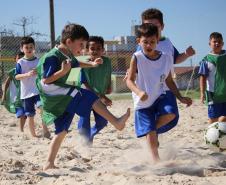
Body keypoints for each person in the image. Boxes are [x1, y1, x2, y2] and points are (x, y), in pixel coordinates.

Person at [36, 23, 130, 170]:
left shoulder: (67, 54)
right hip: (54, 94)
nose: (83, 49)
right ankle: (116, 122)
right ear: (69, 42)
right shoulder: (53, 56)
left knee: (61, 131)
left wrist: (91, 64)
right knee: (87, 95)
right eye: (81, 45)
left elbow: (76, 63)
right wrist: (62, 72)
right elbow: (45, 80)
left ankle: (49, 163)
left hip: (61, 97)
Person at [126, 23, 192, 162]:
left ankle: (151, 132)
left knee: (171, 114)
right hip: (142, 103)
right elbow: (129, 81)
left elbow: (169, 81)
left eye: (152, 42)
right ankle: (156, 161)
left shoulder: (166, 57)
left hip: (158, 97)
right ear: (139, 41)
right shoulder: (137, 57)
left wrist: (180, 97)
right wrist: (139, 92)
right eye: (145, 42)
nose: (149, 45)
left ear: (157, 41)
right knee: (150, 131)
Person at [126, 8, 195, 133]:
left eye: (155, 25)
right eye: (148, 25)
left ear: (162, 26)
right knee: (153, 115)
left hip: (167, 86)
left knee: (171, 115)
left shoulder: (168, 43)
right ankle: (151, 134)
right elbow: (136, 62)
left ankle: (151, 131)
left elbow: (176, 59)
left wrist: (186, 54)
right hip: (150, 89)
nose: (151, 28)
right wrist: (129, 72)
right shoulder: (143, 44)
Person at [77, 36, 112, 143]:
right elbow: (84, 84)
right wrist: (102, 97)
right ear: (87, 50)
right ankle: (85, 143)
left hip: (100, 96)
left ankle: (91, 134)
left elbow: (108, 74)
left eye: (98, 48)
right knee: (84, 121)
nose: (95, 51)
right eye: (92, 48)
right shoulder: (83, 63)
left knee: (102, 121)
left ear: (103, 50)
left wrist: (109, 86)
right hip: (85, 97)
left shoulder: (107, 61)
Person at [15, 36, 50, 138]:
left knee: (41, 108)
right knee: (30, 115)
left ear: (34, 47)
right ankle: (33, 136)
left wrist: (39, 72)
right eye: (26, 47)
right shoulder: (20, 62)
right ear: (22, 49)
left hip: (38, 91)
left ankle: (45, 130)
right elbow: (17, 76)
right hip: (26, 93)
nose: (29, 49)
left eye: (31, 47)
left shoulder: (38, 60)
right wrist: (27, 74)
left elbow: (44, 74)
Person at [199, 32, 226, 124]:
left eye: (219, 42)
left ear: (223, 43)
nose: (217, 43)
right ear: (209, 44)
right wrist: (202, 93)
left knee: (223, 118)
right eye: (214, 42)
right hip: (213, 94)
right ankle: (210, 136)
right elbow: (202, 78)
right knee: (213, 119)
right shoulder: (206, 60)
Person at [1, 51, 27, 132]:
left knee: (26, 114)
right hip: (16, 96)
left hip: (26, 94)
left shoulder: (27, 71)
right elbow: (7, 83)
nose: (20, 60)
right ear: (15, 60)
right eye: (18, 58)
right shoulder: (13, 71)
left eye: (22, 58)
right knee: (20, 112)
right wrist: (4, 95)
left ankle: (22, 128)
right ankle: (21, 130)